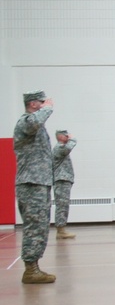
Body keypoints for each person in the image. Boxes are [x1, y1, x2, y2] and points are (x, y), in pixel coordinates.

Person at [15, 90, 57, 284]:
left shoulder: (34, 125)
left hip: (38, 182)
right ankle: (31, 270)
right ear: (33, 104)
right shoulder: (26, 122)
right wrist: (47, 109)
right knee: (34, 227)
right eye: (42, 102)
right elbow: (33, 123)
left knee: (40, 226)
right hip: (32, 183)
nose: (46, 104)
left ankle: (34, 268)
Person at [51, 130, 78, 240]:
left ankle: (61, 229)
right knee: (62, 205)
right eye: (66, 135)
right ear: (61, 137)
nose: (68, 137)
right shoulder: (59, 148)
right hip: (61, 180)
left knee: (63, 205)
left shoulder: (60, 148)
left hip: (63, 180)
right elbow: (68, 148)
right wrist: (73, 139)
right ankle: (61, 231)